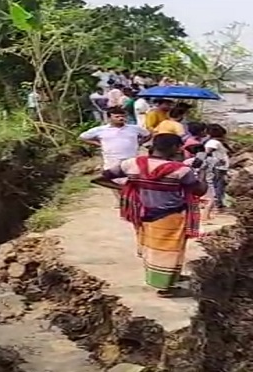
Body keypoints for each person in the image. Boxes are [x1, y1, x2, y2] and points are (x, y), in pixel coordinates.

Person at [94, 134, 208, 297]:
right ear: (176, 148)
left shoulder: (132, 164)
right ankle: (165, 288)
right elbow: (200, 190)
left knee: (152, 247)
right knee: (169, 250)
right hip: (171, 215)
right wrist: (201, 173)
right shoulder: (181, 170)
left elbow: (100, 178)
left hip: (144, 212)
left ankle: (170, 276)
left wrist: (127, 188)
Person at [79, 107, 150, 205]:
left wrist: (139, 142)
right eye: (117, 116)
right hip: (111, 158)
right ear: (109, 118)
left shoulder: (134, 128)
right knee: (113, 180)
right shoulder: (100, 130)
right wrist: (98, 144)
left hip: (130, 157)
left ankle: (132, 199)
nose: (121, 118)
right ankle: (120, 201)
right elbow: (83, 137)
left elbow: (148, 134)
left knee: (131, 178)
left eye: (123, 116)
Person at [204, 124, 231, 210]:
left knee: (219, 184)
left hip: (220, 168)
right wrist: (215, 161)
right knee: (218, 184)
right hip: (217, 168)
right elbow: (207, 151)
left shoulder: (216, 142)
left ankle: (218, 201)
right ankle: (217, 202)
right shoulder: (213, 142)